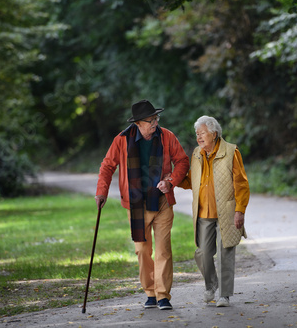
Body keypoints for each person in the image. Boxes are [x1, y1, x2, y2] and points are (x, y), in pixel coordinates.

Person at [95, 100, 189, 310]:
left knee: (163, 250)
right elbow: (107, 166)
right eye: (151, 120)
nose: (155, 123)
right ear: (138, 123)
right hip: (136, 205)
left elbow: (182, 160)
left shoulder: (167, 136)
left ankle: (163, 295)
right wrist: (101, 192)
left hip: (162, 201)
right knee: (142, 251)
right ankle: (150, 292)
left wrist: (171, 181)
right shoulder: (121, 140)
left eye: (156, 118)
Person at [171, 115, 250, 307]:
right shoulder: (197, 154)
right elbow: (191, 181)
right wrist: (174, 177)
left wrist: (240, 211)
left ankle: (224, 295)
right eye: (197, 134)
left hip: (227, 212)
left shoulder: (231, 151)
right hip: (204, 213)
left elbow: (241, 184)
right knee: (203, 253)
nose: (199, 137)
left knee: (225, 253)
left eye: (202, 133)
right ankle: (211, 284)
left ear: (214, 133)